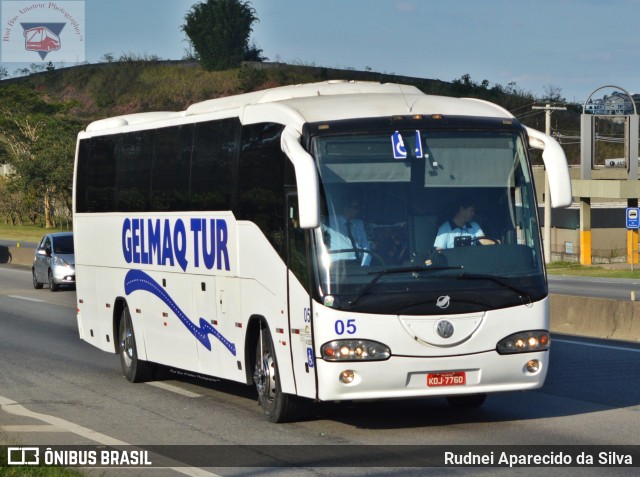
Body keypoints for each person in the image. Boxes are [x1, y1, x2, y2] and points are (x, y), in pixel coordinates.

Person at [327, 199, 372, 266]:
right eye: (355, 208)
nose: (358, 211)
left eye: (358, 208)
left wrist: (364, 266)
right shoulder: (331, 222)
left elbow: (366, 247)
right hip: (337, 265)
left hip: (358, 264)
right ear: (346, 208)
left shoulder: (359, 224)